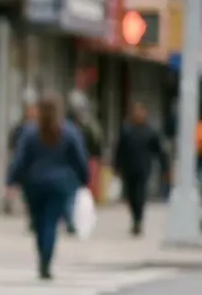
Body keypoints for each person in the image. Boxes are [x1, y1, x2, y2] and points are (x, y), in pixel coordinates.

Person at [7, 93, 90, 281]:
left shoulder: (30, 132)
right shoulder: (69, 131)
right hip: (60, 184)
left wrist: (12, 181)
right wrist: (85, 180)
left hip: (34, 183)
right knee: (51, 222)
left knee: (38, 222)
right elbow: (79, 158)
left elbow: (20, 159)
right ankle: (46, 261)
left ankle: (42, 255)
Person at [113, 101, 170, 236]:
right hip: (129, 168)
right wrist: (116, 166)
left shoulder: (150, 131)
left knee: (140, 194)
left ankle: (138, 220)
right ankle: (135, 217)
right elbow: (119, 149)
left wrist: (165, 168)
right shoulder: (126, 130)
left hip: (143, 168)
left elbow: (160, 151)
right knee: (131, 195)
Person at [66, 90, 103, 235]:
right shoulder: (67, 126)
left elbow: (95, 145)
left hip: (78, 163)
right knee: (70, 193)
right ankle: (69, 220)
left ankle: (70, 220)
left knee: (73, 193)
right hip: (69, 165)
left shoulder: (87, 126)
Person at [10, 102, 40, 233]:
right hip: (28, 170)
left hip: (39, 170)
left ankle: (36, 219)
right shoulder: (21, 128)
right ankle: (33, 218)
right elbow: (14, 146)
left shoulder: (43, 128)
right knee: (28, 196)